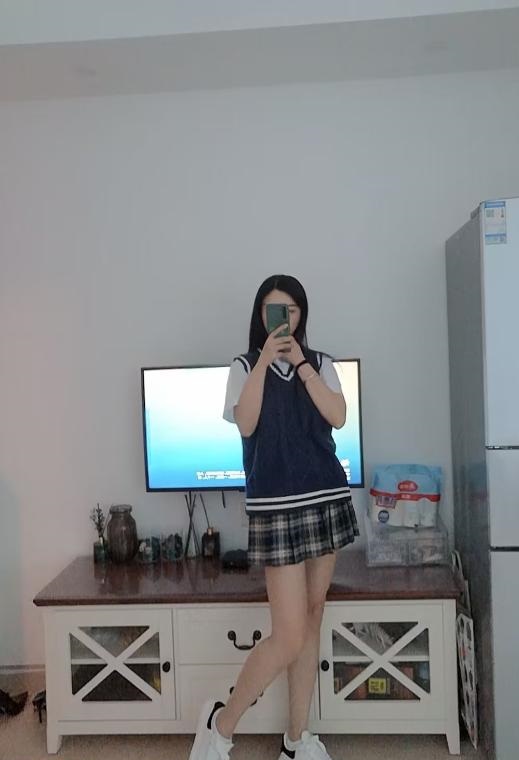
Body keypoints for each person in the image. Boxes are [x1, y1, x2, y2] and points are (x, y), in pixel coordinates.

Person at [188, 274, 360, 760]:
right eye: (272, 310)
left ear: (302, 315)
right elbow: (246, 423)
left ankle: (296, 740)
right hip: (276, 509)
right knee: (288, 635)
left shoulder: (321, 363)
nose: (282, 319)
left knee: (312, 616)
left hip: (325, 500)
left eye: (291, 310)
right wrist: (266, 359)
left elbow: (337, 416)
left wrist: (301, 362)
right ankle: (220, 727)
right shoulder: (244, 366)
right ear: (260, 316)